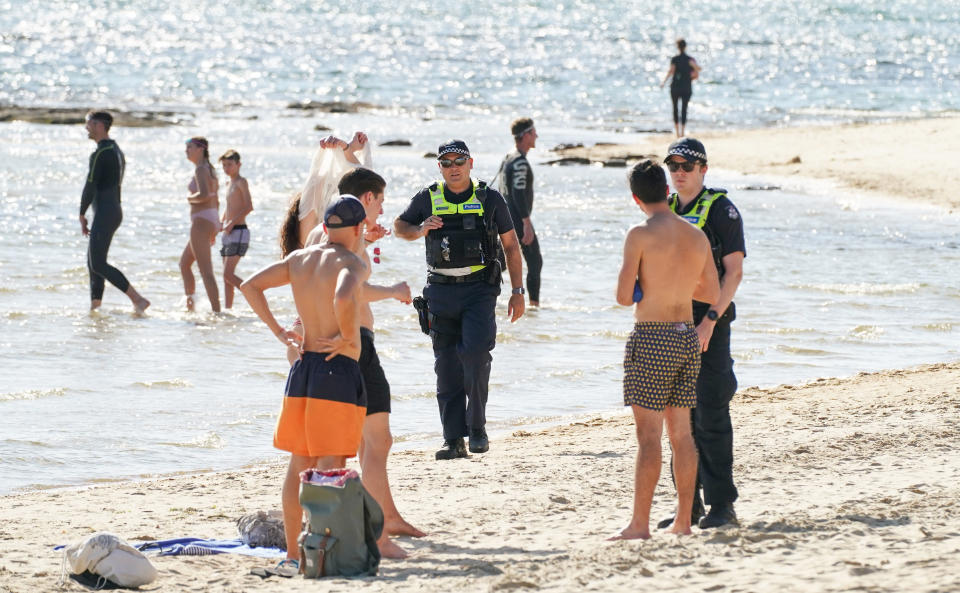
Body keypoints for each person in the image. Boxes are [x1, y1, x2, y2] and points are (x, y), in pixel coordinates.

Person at [239, 195, 369, 567]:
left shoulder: (299, 259)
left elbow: (249, 285)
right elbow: (345, 293)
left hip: (304, 369)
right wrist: (347, 334)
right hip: (336, 369)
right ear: (359, 229)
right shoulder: (351, 261)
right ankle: (321, 552)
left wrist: (279, 330)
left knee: (299, 464)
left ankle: (294, 553)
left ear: (326, 227)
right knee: (328, 465)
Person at [315, 167, 426, 559]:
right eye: (380, 200)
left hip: (338, 345)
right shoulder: (347, 243)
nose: (383, 208)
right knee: (375, 442)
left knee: (368, 442)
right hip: (354, 344)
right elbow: (352, 292)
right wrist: (395, 290)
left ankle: (388, 518)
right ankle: (378, 535)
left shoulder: (328, 234)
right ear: (366, 200)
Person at [394, 140, 526, 460]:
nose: (453, 167)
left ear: (471, 163)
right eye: (447, 162)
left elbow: (510, 245)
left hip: (479, 289)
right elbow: (400, 227)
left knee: (477, 356)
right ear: (439, 167)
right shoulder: (428, 197)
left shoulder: (489, 197)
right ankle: (453, 440)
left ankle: (477, 428)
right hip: (439, 291)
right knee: (447, 367)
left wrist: (518, 291)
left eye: (459, 161)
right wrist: (420, 228)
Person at [609, 159, 720, 541]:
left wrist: (646, 283)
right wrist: (677, 284)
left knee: (648, 438)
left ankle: (640, 525)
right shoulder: (696, 236)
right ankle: (684, 521)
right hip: (686, 334)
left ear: (636, 198)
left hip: (652, 335)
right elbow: (711, 293)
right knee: (682, 435)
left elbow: (624, 297)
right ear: (668, 192)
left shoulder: (638, 234)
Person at [658, 137, 746, 530]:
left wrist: (709, 320)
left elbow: (734, 273)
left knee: (710, 414)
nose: (679, 173)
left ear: (703, 170)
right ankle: (686, 507)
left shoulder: (722, 211)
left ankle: (722, 507)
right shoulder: (666, 211)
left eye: (687, 166)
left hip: (710, 323)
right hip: (672, 325)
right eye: (673, 166)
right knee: (679, 421)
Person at [79, 111, 150, 313]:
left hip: (105, 211)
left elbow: (90, 185)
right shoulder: (116, 149)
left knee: (98, 263)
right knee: (94, 263)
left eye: (89, 124)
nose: (86, 128)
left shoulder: (101, 152)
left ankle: (138, 299)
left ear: (100, 125)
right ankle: (95, 308)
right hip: (112, 210)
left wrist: (81, 213)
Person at [495, 117, 543, 307]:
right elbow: (518, 193)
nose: (536, 136)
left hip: (504, 220)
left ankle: (482, 296)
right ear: (525, 135)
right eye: (534, 132)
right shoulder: (520, 163)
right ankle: (534, 306)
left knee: (500, 264)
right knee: (535, 262)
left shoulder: (508, 157)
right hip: (516, 221)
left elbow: (500, 190)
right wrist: (526, 222)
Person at [179, 137, 221, 313]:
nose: (186, 151)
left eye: (190, 147)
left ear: (200, 150)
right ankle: (191, 307)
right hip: (210, 220)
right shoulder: (209, 169)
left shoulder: (201, 170)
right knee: (184, 264)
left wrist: (189, 198)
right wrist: (215, 227)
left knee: (206, 271)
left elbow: (204, 195)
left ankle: (217, 312)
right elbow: (215, 199)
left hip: (202, 222)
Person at [218, 150, 253, 310]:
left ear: (238, 165)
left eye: (230, 165)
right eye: (224, 165)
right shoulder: (228, 183)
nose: (227, 168)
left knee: (228, 274)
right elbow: (228, 207)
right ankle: (228, 310)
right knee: (226, 278)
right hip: (227, 232)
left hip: (239, 231)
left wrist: (231, 223)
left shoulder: (241, 182)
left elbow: (248, 206)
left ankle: (254, 294)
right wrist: (220, 222)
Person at [660, 38, 702, 138]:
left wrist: (663, 82)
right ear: (685, 47)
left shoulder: (675, 59)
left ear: (677, 47)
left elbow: (671, 71)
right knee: (684, 109)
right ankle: (682, 132)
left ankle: (677, 133)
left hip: (675, 87)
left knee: (675, 109)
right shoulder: (690, 59)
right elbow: (698, 71)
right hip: (686, 87)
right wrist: (691, 68)